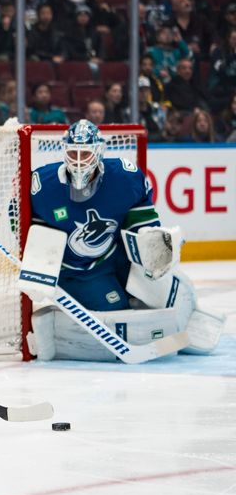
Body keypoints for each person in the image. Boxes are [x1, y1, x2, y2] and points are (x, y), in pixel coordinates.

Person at [25, 119, 222, 361]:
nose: (78, 161)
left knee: (172, 289)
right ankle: (61, 334)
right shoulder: (43, 186)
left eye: (84, 154)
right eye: (73, 153)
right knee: (117, 314)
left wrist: (153, 243)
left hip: (117, 255)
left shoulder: (124, 176)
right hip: (79, 271)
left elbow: (142, 219)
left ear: (98, 152)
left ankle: (182, 327)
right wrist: (36, 265)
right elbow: (22, 223)